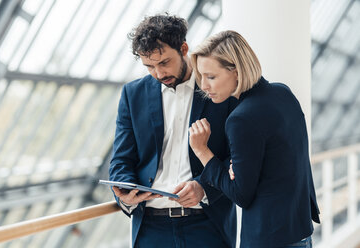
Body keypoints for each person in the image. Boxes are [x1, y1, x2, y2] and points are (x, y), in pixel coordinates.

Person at [109, 15, 237, 248]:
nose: (158, 73)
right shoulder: (132, 94)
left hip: (208, 225)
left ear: (184, 48)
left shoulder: (218, 89)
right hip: (150, 229)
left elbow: (236, 157)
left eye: (164, 62)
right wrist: (125, 192)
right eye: (149, 66)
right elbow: (120, 160)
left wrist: (203, 187)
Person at [188, 30, 320, 248]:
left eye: (211, 77)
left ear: (237, 72)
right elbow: (281, 159)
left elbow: (240, 194)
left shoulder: (241, 119)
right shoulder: (283, 93)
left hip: (269, 239)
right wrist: (234, 169)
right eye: (201, 76)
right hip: (300, 230)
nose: (203, 86)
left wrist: (202, 151)